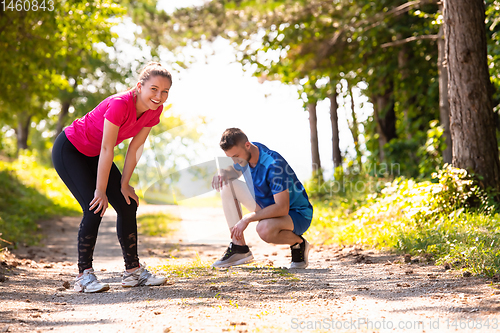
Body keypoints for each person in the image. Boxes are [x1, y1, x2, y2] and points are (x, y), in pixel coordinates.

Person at [52, 62, 171, 293]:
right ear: (140, 86)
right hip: (71, 149)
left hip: (96, 153)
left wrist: (124, 184)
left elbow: (136, 147)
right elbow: (108, 149)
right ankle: (84, 276)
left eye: (164, 91)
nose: (159, 96)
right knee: (94, 206)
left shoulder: (154, 110)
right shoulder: (119, 104)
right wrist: (100, 190)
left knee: (128, 204)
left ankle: (133, 272)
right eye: (154, 89)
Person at [212, 128, 312, 269]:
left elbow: (282, 208)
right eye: (231, 157)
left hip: (296, 213)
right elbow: (234, 171)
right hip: (267, 206)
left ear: (247, 145)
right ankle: (238, 248)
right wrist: (223, 172)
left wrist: (247, 218)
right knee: (227, 185)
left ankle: (298, 243)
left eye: (236, 156)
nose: (235, 160)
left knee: (264, 229)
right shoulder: (247, 153)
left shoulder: (274, 165)